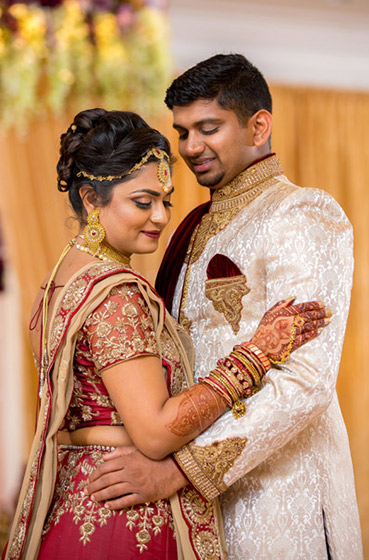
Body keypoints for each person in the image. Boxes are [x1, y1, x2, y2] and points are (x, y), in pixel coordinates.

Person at [4, 108, 326, 560]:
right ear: (91, 199)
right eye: (142, 201)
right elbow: (155, 431)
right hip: (128, 512)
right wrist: (255, 354)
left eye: (165, 200)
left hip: (80, 499)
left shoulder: (61, 279)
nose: (159, 216)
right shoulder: (115, 293)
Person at [85, 55, 363, 559]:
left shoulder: (301, 213)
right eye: (183, 132)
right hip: (197, 506)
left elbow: (306, 381)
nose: (190, 148)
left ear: (259, 125)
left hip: (280, 499)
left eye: (207, 128)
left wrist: (178, 471)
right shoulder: (192, 228)